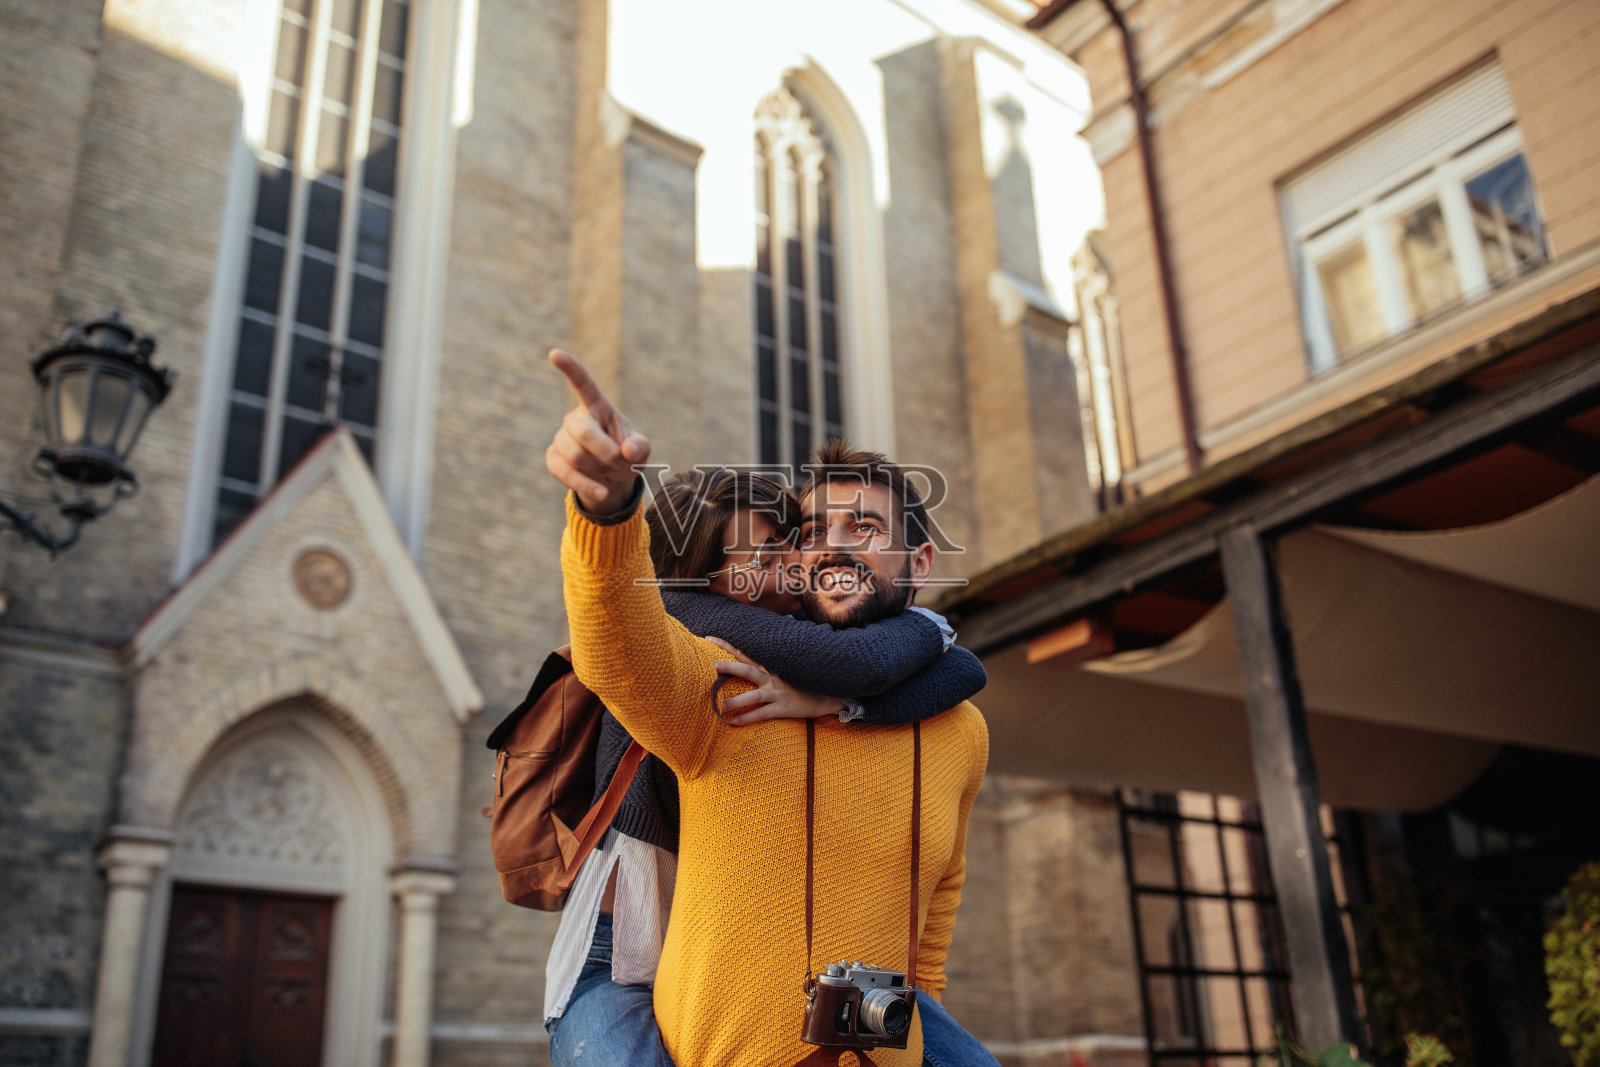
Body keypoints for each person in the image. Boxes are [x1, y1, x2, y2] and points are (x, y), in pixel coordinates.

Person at [544, 349, 991, 1067]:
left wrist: (853, 695)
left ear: (921, 563)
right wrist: (607, 512)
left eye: (865, 529)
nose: (828, 550)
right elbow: (616, 648)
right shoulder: (727, 678)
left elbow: (932, 915)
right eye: (813, 532)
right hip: (619, 953)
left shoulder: (960, 726)